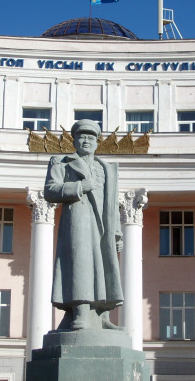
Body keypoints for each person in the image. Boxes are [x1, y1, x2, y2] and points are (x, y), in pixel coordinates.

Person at [44, 119, 123, 330]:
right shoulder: (61, 162)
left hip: (103, 223)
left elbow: (113, 202)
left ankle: (102, 315)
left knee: (105, 265)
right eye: (81, 137)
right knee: (80, 264)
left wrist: (117, 233)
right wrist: (79, 187)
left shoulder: (107, 168)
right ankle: (80, 312)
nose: (86, 141)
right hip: (78, 219)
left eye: (90, 137)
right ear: (75, 140)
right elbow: (50, 190)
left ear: (97, 142)